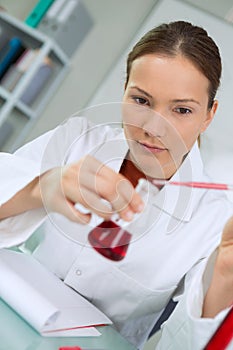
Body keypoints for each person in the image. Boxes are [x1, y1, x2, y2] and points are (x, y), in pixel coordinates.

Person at [0, 20, 233, 349]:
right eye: (141, 101)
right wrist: (39, 190)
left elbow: (187, 341)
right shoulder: (76, 141)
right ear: (124, 90)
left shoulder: (213, 220)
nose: (154, 128)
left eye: (182, 110)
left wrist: (224, 275)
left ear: (209, 115)